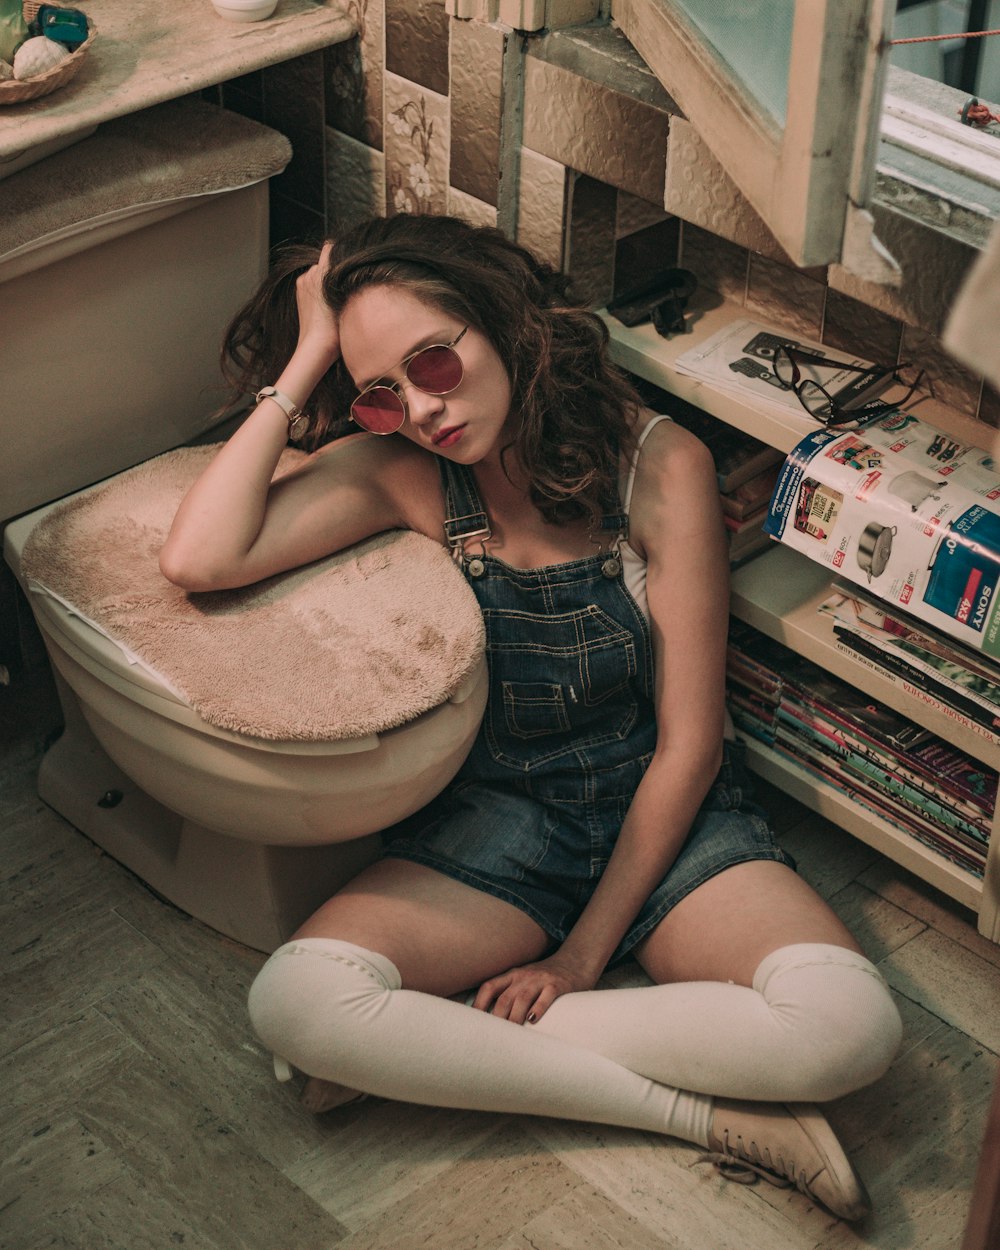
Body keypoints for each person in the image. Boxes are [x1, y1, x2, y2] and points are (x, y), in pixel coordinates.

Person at [160, 213, 902, 1223]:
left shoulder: (659, 464)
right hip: (504, 823)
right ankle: (705, 1118)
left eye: (433, 360)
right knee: (293, 1000)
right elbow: (198, 559)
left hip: (666, 809)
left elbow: (689, 743)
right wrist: (309, 358)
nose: (421, 408)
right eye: (381, 395)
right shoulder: (408, 473)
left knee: (849, 1026)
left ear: (502, 319)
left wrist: (577, 960)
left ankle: (438, 1049)